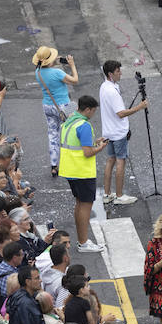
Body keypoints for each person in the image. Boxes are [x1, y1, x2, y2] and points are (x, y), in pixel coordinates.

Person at [58, 96, 107, 253]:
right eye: (93, 111)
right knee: (85, 206)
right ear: (87, 109)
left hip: (70, 170)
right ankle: (84, 243)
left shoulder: (70, 122)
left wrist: (94, 143)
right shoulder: (84, 125)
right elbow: (87, 153)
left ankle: (82, 240)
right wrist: (100, 147)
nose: (93, 114)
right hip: (82, 171)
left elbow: (78, 145)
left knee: (79, 204)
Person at [98, 60, 147, 206]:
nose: (120, 73)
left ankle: (107, 194)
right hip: (118, 132)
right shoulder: (112, 91)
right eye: (118, 71)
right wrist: (140, 106)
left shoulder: (104, 86)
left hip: (108, 131)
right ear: (110, 74)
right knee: (120, 161)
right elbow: (120, 113)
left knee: (110, 160)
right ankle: (119, 195)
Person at [33, 47, 78, 178]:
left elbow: (47, 68)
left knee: (53, 134)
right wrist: (72, 65)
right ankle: (72, 159)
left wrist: (54, 62)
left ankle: (54, 165)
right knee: (72, 127)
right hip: (63, 106)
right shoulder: (57, 73)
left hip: (47, 106)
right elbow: (75, 80)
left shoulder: (38, 72)